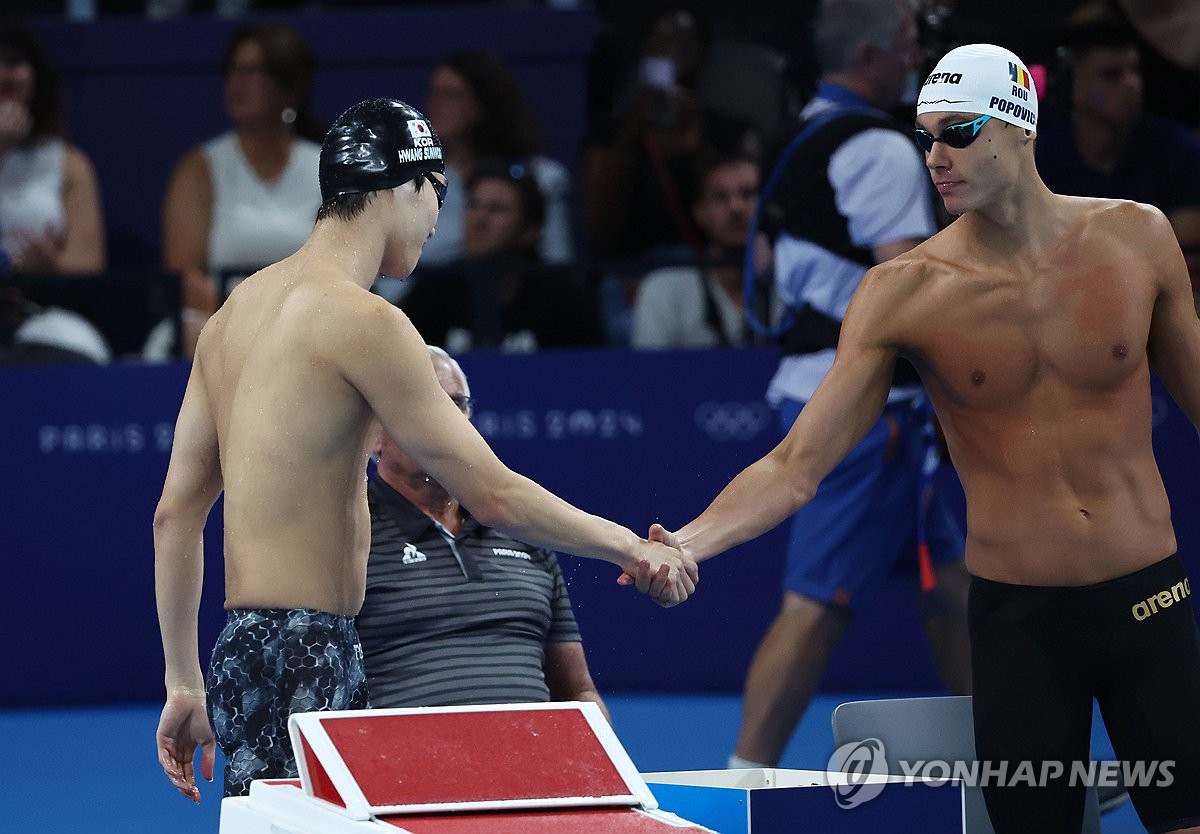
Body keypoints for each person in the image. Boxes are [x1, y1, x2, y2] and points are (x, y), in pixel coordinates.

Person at [652, 42, 1200, 834]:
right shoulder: (904, 292)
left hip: (1151, 600)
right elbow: (797, 464)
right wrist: (691, 543)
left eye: (959, 132)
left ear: (1021, 129)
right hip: (1021, 628)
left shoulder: (1137, 240)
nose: (936, 157)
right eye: (927, 136)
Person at [153, 98, 693, 804]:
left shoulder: (230, 317)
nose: (441, 218)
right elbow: (493, 493)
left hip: (242, 650)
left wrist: (183, 681)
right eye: (438, 193)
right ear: (401, 186)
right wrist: (629, 546)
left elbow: (175, 516)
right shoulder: (368, 321)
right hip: (313, 650)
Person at [724, 0, 970, 771]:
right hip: (866, 410)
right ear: (869, 56)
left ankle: (1016, 762)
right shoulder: (882, 149)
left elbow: (769, 267)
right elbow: (911, 282)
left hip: (838, 387)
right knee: (816, 606)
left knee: (952, 592)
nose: (917, 58)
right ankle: (740, 780)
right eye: (905, 44)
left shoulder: (804, 129)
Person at [356, 345, 608, 719]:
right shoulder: (350, 536)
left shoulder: (524, 532)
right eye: (423, 403)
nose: (446, 421)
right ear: (373, 434)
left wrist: (598, 765)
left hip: (534, 764)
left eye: (457, 405)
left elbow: (578, 691)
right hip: (408, 768)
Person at [160, 24, 323, 358]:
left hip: (312, 322)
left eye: (252, 71)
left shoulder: (326, 167)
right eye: (233, 70)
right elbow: (185, 277)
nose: (238, 82)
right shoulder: (199, 168)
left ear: (289, 88)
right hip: (223, 322)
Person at [1035, 19, 1200, 310]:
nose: (1132, 84)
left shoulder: (1180, 148)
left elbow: (1186, 257)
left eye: (1135, 71)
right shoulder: (1040, 157)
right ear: (1072, 86)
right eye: (1112, 75)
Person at [401, 159, 605, 353]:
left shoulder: (564, 304)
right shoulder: (431, 294)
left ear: (529, 231)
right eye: (474, 205)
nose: (479, 220)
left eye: (496, 209)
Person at [418, 50, 575, 268]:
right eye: (433, 92)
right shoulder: (415, 181)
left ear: (484, 103)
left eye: (451, 94)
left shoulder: (542, 177)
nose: (435, 104)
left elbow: (558, 265)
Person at [630, 152, 775, 348]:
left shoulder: (796, 289)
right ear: (699, 212)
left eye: (748, 194)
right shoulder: (663, 289)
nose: (736, 207)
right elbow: (646, 374)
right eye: (720, 197)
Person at [0, 18, 105, 275]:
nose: (3, 75)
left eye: (13, 62)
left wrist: (51, 266)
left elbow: (90, 264)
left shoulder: (69, 163)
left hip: (43, 306)